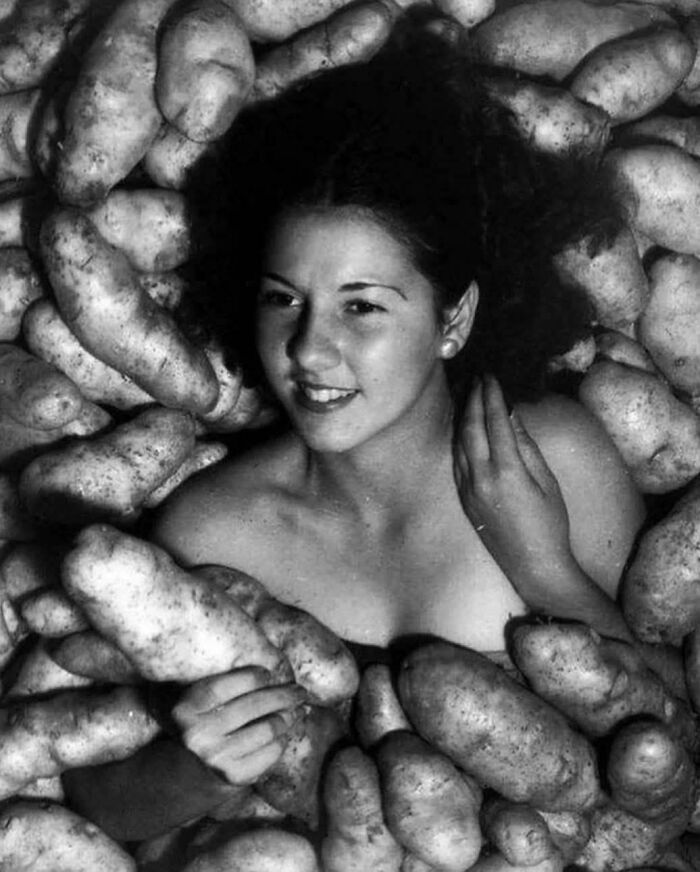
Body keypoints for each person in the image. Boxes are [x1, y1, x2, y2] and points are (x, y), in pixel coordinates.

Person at [64, 11, 651, 840]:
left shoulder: (556, 461)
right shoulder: (214, 530)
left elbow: (674, 746)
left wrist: (548, 570)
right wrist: (191, 765)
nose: (309, 348)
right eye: (283, 300)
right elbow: (98, 805)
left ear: (452, 320)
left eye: (363, 306)